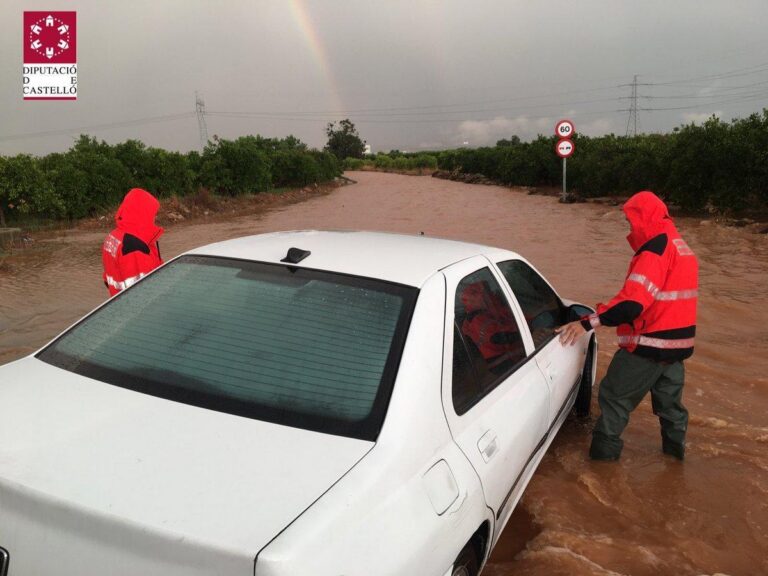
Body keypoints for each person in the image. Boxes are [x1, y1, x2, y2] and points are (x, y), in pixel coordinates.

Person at [556, 191, 698, 461]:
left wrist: (587, 323)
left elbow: (631, 304)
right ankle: (675, 461)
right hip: (677, 348)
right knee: (671, 410)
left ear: (644, 218)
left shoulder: (655, 250)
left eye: (631, 221)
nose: (630, 228)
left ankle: (601, 468)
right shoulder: (681, 247)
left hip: (648, 346)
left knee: (613, 399)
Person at [102, 188, 164, 296]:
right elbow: (145, 293)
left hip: (118, 301)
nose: (155, 218)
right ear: (143, 213)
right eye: (152, 214)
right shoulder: (134, 247)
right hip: (135, 305)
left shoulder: (113, 236)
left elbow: (107, 279)